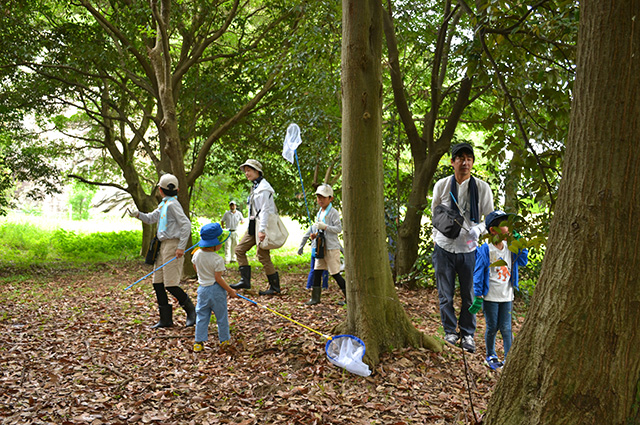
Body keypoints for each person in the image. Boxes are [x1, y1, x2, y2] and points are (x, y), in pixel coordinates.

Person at [431, 143, 494, 353]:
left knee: (470, 294)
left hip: (470, 250)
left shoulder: (482, 188)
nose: (464, 163)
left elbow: (491, 219)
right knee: (445, 294)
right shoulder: (442, 185)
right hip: (444, 247)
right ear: (452, 162)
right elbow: (435, 214)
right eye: (460, 158)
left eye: (469, 158)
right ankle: (450, 331)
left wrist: (480, 229)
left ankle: (467, 333)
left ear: (473, 162)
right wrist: (435, 239)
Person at [128, 173, 195, 328]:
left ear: (160, 189)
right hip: (162, 246)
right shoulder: (164, 204)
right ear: (177, 190)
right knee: (157, 283)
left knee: (170, 284)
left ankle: (192, 312)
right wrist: (137, 214)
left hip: (173, 245)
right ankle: (165, 319)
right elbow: (151, 218)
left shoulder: (173, 205)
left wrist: (181, 247)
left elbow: (186, 224)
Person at [472, 211, 529, 369]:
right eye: (505, 225)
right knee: (492, 327)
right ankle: (490, 354)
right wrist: (478, 295)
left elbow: (523, 261)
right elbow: (478, 273)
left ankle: (508, 358)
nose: (509, 227)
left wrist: (520, 243)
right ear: (493, 231)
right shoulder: (485, 250)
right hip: (490, 297)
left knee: (506, 328)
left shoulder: (510, 249)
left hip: (507, 296)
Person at [230, 159, 281, 295]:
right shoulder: (255, 186)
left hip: (261, 226)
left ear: (257, 171)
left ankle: (275, 288)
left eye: (249, 170)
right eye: (245, 171)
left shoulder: (264, 188)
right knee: (239, 250)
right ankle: (245, 281)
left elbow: (265, 210)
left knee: (263, 256)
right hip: (253, 226)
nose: (246, 173)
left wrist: (262, 230)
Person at [192, 222, 238, 352]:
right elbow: (218, 278)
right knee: (221, 316)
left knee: (201, 316)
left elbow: (195, 267)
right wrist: (230, 291)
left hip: (202, 289)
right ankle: (224, 340)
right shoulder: (217, 259)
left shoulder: (196, 254)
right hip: (216, 290)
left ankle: (198, 342)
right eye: (220, 241)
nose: (221, 243)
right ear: (214, 244)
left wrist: (202, 276)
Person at [304, 184, 346, 306]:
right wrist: (314, 235)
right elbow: (319, 230)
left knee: (335, 273)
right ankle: (315, 298)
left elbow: (338, 229)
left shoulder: (333, 213)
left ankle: (349, 297)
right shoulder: (319, 212)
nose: (320, 200)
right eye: (318, 197)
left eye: (323, 197)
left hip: (332, 247)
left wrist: (326, 227)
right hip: (320, 247)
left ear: (330, 198)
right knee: (317, 271)